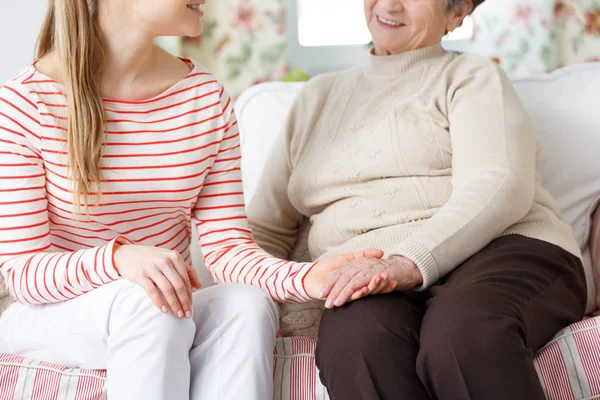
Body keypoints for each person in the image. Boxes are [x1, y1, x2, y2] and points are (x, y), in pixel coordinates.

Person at [0, 1, 381, 399]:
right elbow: (25, 275)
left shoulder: (204, 99)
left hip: (158, 312)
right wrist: (120, 260)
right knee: (149, 302)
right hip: (52, 314)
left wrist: (305, 277)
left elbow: (228, 250)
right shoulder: (27, 102)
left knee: (247, 305)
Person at [248, 0, 588, 399]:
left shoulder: (471, 77)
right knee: (356, 343)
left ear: (457, 12)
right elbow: (264, 228)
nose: (389, 5)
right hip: (372, 275)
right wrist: (277, 301)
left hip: (501, 249)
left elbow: (498, 185)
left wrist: (407, 261)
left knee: (463, 332)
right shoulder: (316, 98)